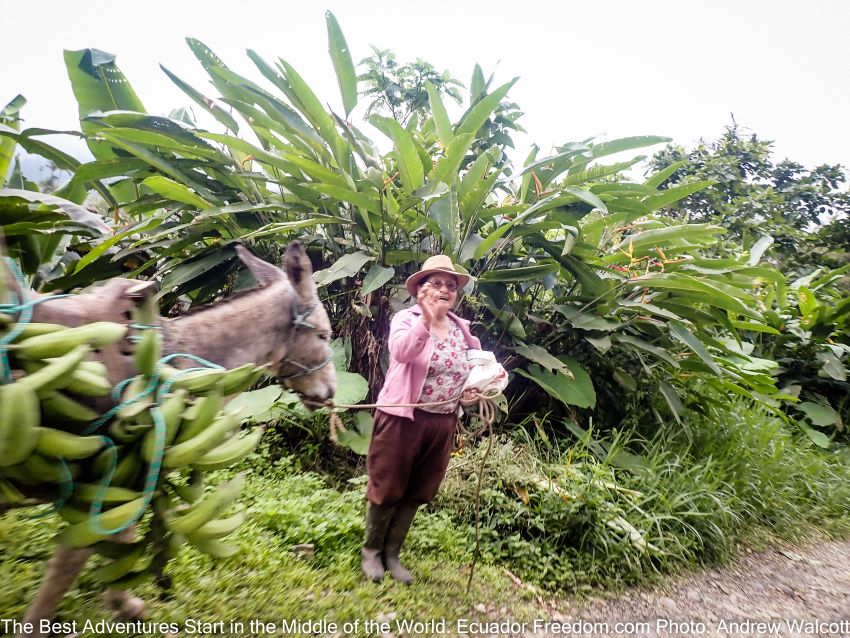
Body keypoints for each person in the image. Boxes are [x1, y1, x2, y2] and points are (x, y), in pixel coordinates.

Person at [361, 255, 482, 584]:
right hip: (403, 417)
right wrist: (425, 321)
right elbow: (401, 352)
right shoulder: (406, 319)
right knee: (388, 485)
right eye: (437, 283)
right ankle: (371, 551)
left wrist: (471, 391)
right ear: (420, 290)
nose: (445, 290)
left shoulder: (462, 328)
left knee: (418, 489)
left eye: (451, 285)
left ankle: (392, 554)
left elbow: (471, 370)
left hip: (441, 422)